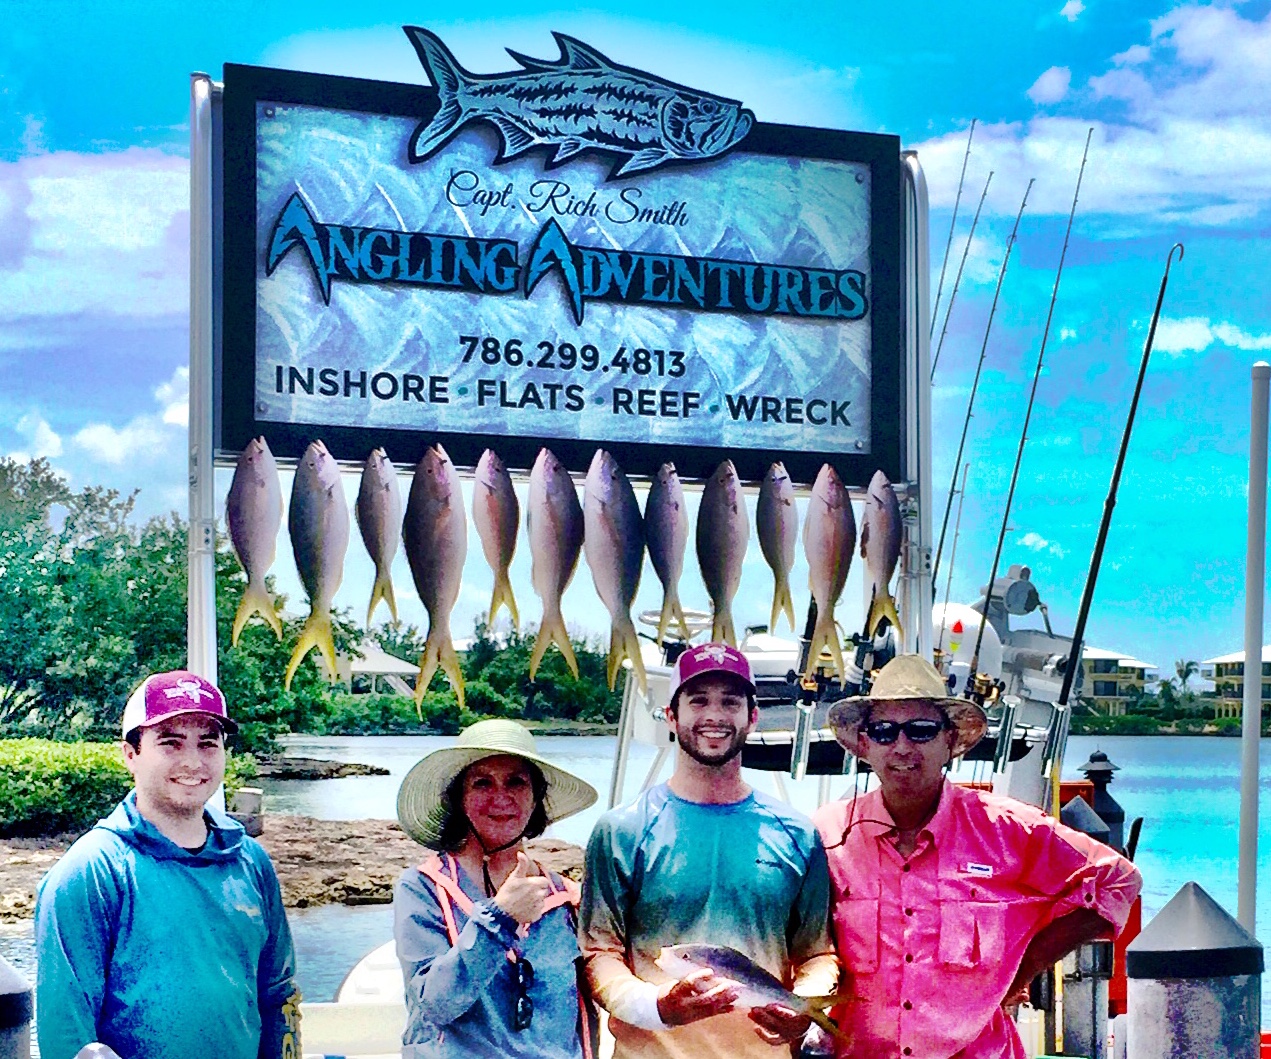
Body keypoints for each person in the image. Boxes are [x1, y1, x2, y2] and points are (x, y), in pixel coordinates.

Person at [812, 654, 1143, 1057]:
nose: (902, 746)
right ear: (864, 744)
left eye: (920, 730)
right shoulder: (824, 836)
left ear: (949, 741)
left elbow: (1117, 879)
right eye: (884, 731)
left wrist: (1025, 966)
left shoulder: (1007, 830)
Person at [580, 642, 839, 1059]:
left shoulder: (798, 833)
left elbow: (817, 953)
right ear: (671, 715)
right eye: (697, 700)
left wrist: (802, 1006)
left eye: (730, 702)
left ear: (752, 717)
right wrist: (656, 1008)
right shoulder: (621, 829)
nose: (714, 715)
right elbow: (599, 952)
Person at [34, 670, 300, 1059]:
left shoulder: (252, 861)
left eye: (208, 744)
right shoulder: (91, 871)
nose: (193, 761)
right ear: (131, 754)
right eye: (171, 743)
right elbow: (66, 1032)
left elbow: (279, 994)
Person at [393, 718, 600, 1058]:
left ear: (536, 800)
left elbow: (582, 1022)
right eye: (482, 783)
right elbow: (434, 1005)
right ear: (459, 798)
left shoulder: (568, 899)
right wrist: (499, 919)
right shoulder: (422, 889)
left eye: (516, 782)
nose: (500, 797)